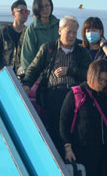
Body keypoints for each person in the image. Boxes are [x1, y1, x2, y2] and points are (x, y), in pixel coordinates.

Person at [23, 15, 91, 152]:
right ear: (60, 31)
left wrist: (70, 71)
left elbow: (89, 74)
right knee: (56, 127)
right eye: (69, 32)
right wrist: (27, 84)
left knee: (74, 127)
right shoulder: (48, 48)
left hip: (75, 95)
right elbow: (34, 68)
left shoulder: (81, 52)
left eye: (74, 32)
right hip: (54, 94)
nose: (72, 36)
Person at [0, 0, 29, 81]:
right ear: (13, 14)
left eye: (27, 12)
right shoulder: (3, 31)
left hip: (22, 77)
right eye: (22, 11)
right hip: (5, 75)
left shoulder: (29, 32)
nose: (25, 14)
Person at [19, 0, 59, 75]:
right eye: (41, 7)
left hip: (59, 73)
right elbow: (27, 57)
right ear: (36, 9)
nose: (45, 9)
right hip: (39, 76)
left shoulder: (60, 25)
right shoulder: (32, 29)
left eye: (47, 5)